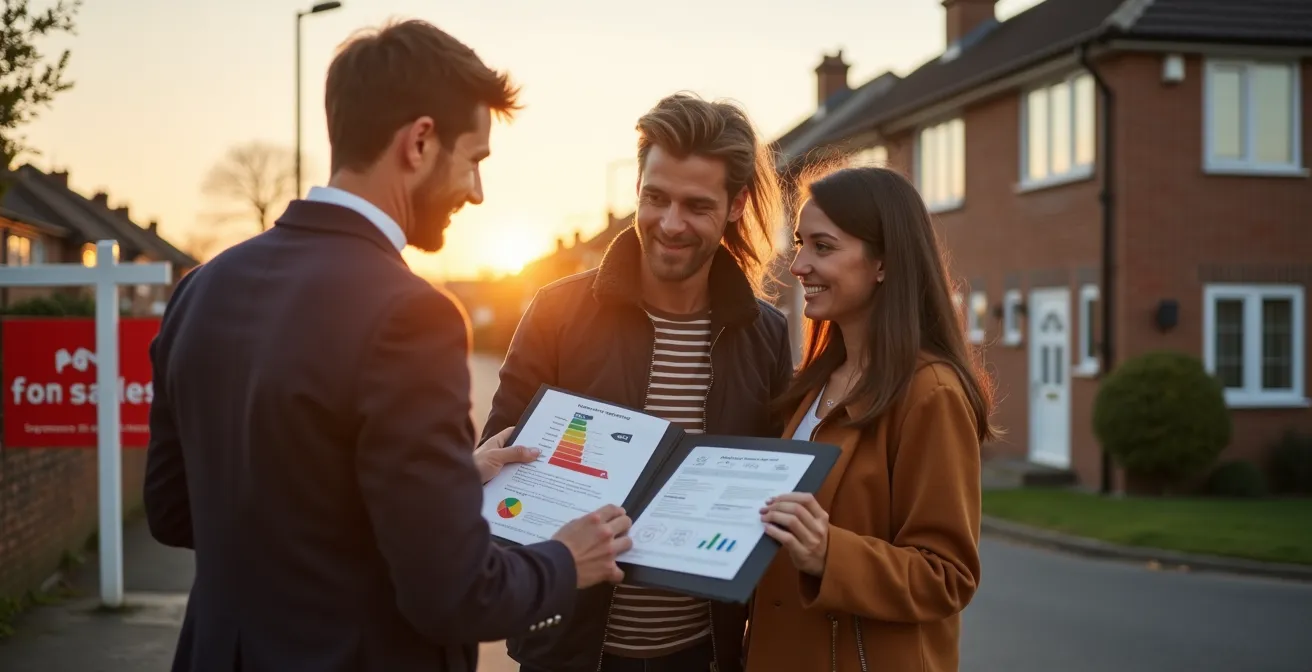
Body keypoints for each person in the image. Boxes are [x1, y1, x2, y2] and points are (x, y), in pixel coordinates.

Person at [143, 19, 633, 672]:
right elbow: (455, 595)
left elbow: (175, 514)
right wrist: (564, 561)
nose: (478, 192)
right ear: (420, 142)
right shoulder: (413, 317)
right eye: (475, 160)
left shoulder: (201, 289)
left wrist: (449, 485)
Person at [478, 92, 794, 672]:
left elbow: (769, 491)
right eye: (656, 198)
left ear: (735, 204)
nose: (670, 224)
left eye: (697, 205)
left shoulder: (764, 333)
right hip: (569, 652)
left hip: (702, 653)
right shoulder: (556, 312)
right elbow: (497, 474)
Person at [742, 165, 996, 672]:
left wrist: (828, 553)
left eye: (823, 247)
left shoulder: (931, 393)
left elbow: (947, 576)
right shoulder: (808, 385)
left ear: (882, 262)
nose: (798, 266)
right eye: (799, 244)